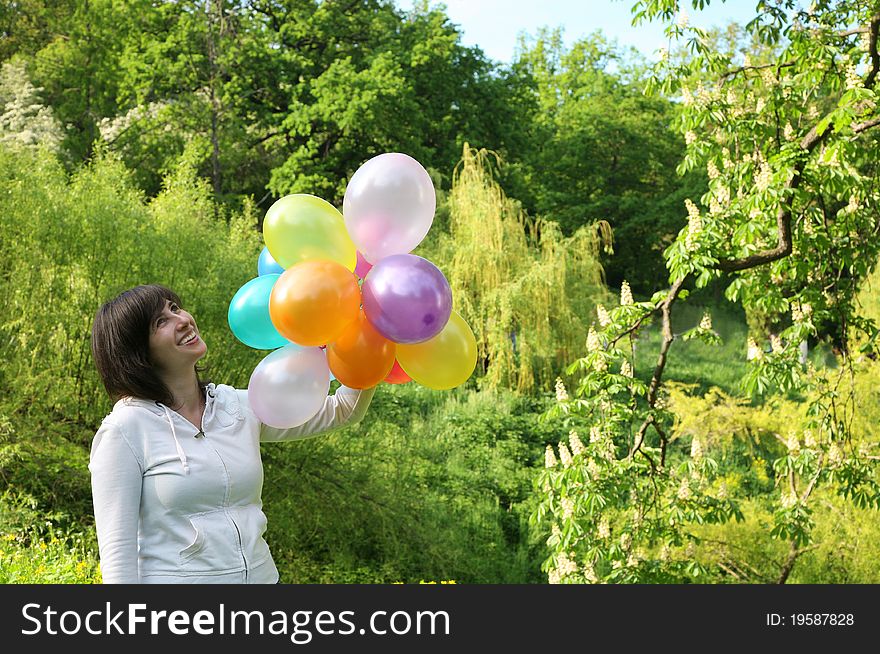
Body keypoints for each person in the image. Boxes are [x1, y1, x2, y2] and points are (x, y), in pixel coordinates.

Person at [88, 284, 375, 584]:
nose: (182, 319)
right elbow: (118, 558)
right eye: (161, 322)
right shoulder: (124, 431)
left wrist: (367, 334)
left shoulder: (235, 406)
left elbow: (343, 409)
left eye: (175, 308)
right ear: (138, 353)